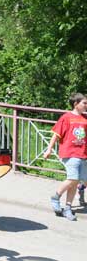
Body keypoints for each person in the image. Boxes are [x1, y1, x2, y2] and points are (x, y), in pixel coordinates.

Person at [43, 93, 87, 221]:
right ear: (75, 104)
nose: (86, 105)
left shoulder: (85, 119)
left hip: (82, 154)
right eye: (84, 103)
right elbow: (56, 135)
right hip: (69, 153)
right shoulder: (66, 117)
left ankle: (68, 208)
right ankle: (56, 196)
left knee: (75, 182)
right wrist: (49, 149)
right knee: (73, 178)